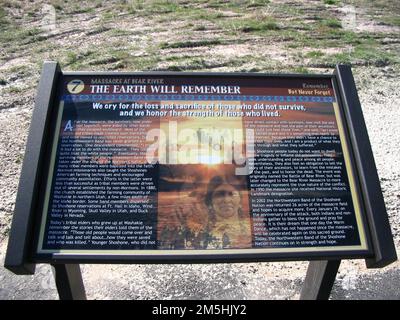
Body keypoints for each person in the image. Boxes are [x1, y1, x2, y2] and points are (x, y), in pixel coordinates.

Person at [204, 175, 252, 249]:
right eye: (220, 195)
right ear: (210, 202)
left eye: (232, 194)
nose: (226, 200)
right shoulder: (200, 234)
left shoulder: (252, 231)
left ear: (240, 201)